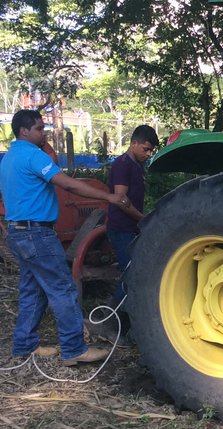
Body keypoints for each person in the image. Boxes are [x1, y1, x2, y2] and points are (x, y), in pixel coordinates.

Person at [0, 109, 129, 366]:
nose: (44, 132)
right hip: (37, 233)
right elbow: (67, 184)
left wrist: (44, 145)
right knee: (63, 289)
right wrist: (108, 197)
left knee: (32, 290)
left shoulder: (11, 156)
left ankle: (24, 345)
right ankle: (74, 349)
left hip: (18, 232)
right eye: (39, 128)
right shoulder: (32, 155)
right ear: (24, 131)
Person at [92, 124, 157, 346]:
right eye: (146, 149)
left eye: (151, 151)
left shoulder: (136, 165)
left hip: (131, 227)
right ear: (134, 143)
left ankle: (123, 322)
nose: (148, 154)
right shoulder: (122, 165)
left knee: (134, 272)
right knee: (130, 275)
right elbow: (120, 199)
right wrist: (142, 218)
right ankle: (108, 323)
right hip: (121, 228)